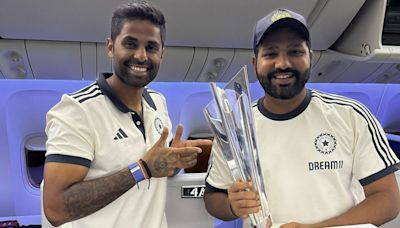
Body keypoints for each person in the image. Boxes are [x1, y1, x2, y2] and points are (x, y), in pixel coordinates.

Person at [203, 8, 400, 228]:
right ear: (254, 62)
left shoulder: (351, 115)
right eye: (270, 54)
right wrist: (232, 206)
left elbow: (388, 199)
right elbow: (213, 198)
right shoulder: (236, 127)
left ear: (310, 57)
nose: (283, 63)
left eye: (295, 52)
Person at [41, 1, 212, 227]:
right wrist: (143, 168)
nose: (141, 56)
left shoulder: (157, 102)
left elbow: (156, 172)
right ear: (110, 47)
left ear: (162, 53)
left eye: (151, 47)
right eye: (130, 44)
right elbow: (56, 208)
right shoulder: (77, 110)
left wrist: (172, 161)